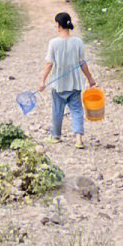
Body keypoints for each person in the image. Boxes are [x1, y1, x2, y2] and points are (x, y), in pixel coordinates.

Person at [39, 11, 96, 150]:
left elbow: (49, 64)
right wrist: (90, 79)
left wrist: (42, 81)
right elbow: (83, 63)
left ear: (58, 25)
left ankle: (56, 136)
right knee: (77, 111)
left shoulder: (53, 43)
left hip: (59, 85)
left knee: (57, 111)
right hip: (75, 84)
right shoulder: (78, 42)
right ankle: (79, 139)